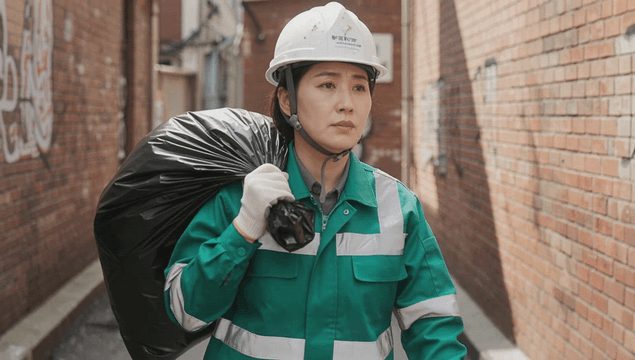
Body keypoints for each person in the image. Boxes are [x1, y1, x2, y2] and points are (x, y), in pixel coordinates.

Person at [164, 2, 467, 359]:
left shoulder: (399, 209)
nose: (347, 104)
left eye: (359, 87)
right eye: (327, 85)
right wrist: (243, 231)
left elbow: (435, 328)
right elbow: (186, 312)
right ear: (288, 99)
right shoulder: (240, 197)